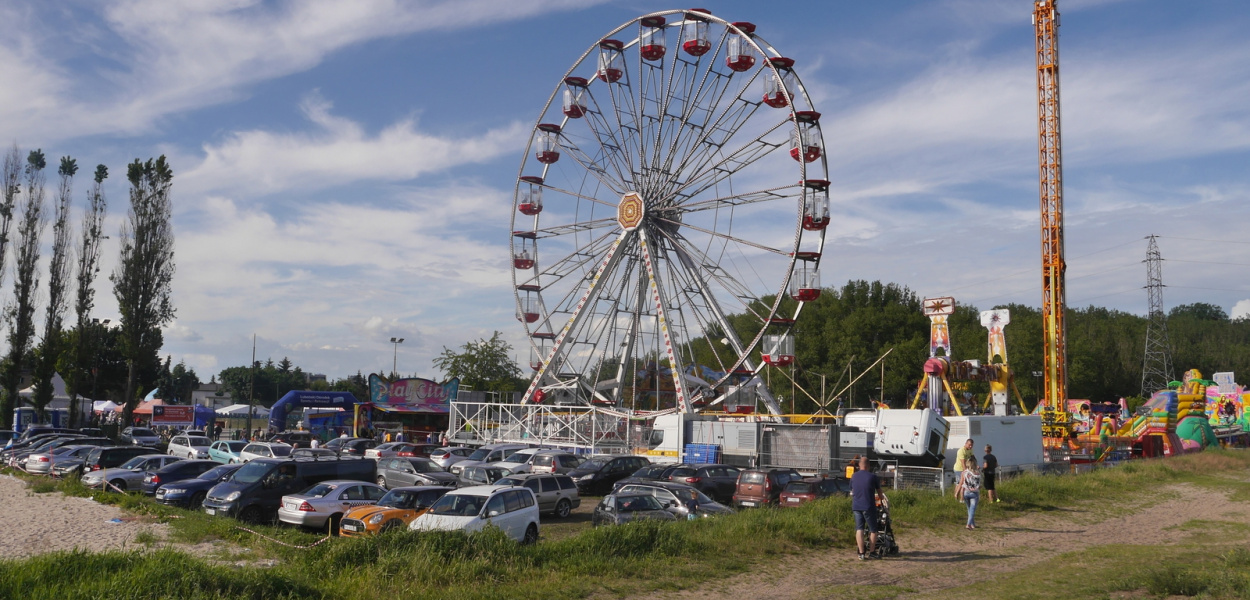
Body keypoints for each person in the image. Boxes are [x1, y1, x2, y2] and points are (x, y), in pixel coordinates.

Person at [850, 456, 882, 560]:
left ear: (859, 465)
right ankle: (872, 552)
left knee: (859, 529)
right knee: (873, 529)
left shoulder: (854, 476)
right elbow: (880, 493)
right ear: (868, 465)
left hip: (856, 506)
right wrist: (882, 500)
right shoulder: (873, 477)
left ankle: (861, 553)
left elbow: (851, 491)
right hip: (868, 506)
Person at [955, 457, 981, 529]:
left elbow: (960, 483)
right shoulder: (977, 473)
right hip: (974, 493)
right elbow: (979, 484)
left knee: (969, 509)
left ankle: (972, 524)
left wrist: (957, 493)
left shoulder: (964, 473)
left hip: (966, 492)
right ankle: (968, 524)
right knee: (972, 509)